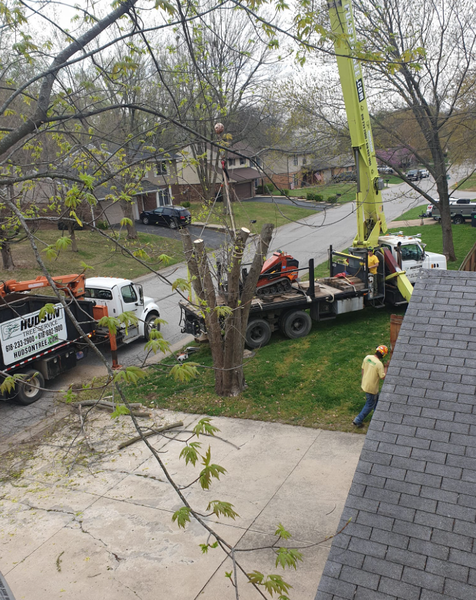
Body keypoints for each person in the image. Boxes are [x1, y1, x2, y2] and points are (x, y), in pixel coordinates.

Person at [352, 345, 389, 428]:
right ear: (383, 355)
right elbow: (383, 377)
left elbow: (363, 369)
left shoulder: (367, 358)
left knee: (377, 400)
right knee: (370, 404)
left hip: (365, 384)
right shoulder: (379, 364)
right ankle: (358, 420)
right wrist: (386, 367)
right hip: (372, 389)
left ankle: (377, 417)